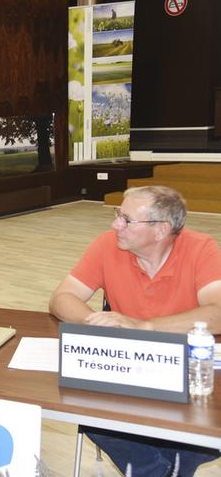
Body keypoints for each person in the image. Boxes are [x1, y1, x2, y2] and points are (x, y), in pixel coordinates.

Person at [49, 185, 221, 476]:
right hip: (126, 367)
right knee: (90, 409)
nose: (115, 224)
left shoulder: (201, 249)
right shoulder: (107, 245)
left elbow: (218, 312)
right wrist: (98, 323)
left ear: (160, 230)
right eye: (118, 214)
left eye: (126, 219)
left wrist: (143, 326)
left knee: (197, 434)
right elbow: (61, 299)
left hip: (191, 372)